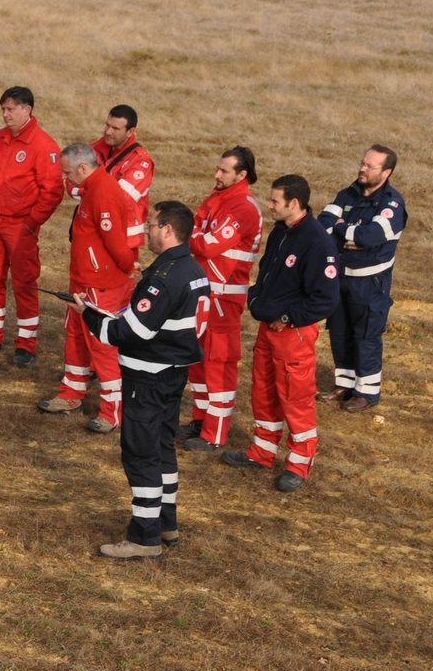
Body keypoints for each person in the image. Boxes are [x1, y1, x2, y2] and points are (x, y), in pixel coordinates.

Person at [72, 200, 208, 559]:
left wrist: (90, 317)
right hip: (173, 375)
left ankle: (144, 537)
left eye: (150, 225)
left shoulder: (164, 278)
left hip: (148, 379)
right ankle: (166, 523)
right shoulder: (194, 270)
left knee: (141, 453)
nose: (145, 231)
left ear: (167, 230)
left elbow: (130, 332)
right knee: (162, 448)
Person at [222, 175, 340, 492]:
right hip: (268, 329)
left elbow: (326, 299)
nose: (269, 205)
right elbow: (268, 274)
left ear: (294, 204)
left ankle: (299, 465)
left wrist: (288, 317)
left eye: (275, 201)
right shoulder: (280, 233)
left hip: (293, 334)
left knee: (295, 400)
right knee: (264, 391)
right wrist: (257, 298)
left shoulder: (317, 242)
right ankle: (262, 451)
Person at [37, 142, 137, 434]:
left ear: (83, 168)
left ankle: (111, 411)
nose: (66, 180)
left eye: (68, 173)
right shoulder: (93, 189)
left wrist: (128, 268)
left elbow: (116, 244)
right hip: (83, 281)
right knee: (76, 338)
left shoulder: (103, 193)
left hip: (101, 286)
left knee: (102, 347)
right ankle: (71, 394)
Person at [0, 86, 64, 366]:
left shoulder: (43, 146)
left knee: (24, 282)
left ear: (27, 110)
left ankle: (26, 343)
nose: (5, 114)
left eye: (10, 109)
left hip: (20, 226)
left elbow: (53, 191)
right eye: (3, 109)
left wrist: (32, 223)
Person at [183, 147, 264, 451]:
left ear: (242, 175)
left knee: (219, 364)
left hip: (223, 299)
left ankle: (215, 434)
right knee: (199, 362)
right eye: (217, 168)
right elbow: (197, 235)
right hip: (205, 293)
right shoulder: (218, 197)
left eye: (224, 171)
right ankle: (200, 419)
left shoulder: (243, 207)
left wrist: (188, 238)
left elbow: (206, 245)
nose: (216, 175)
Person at [316, 146, 407, 411]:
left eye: (370, 166)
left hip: (370, 284)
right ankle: (344, 384)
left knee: (366, 336)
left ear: (386, 172)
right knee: (340, 333)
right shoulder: (348, 193)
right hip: (340, 279)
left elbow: (371, 237)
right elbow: (323, 223)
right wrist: (350, 234)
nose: (362, 169)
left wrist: (342, 228)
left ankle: (366, 393)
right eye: (363, 163)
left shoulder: (392, 203)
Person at [83, 104, 154, 253]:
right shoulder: (95, 148)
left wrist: (87, 189)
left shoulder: (140, 161)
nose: (108, 132)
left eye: (115, 129)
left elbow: (120, 199)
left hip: (123, 240)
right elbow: (71, 182)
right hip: (92, 233)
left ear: (130, 132)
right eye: (107, 125)